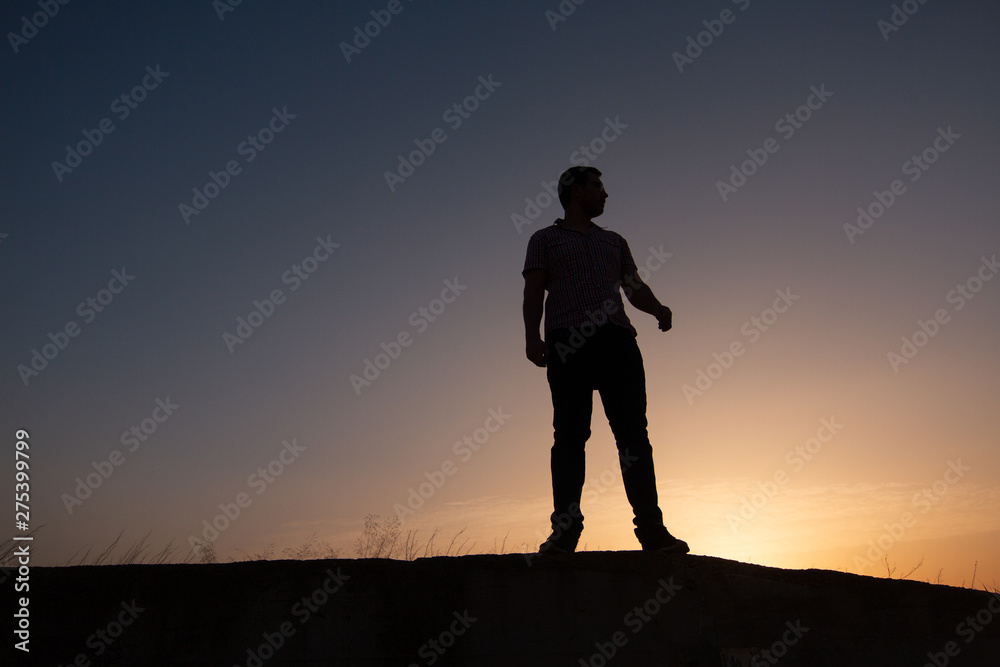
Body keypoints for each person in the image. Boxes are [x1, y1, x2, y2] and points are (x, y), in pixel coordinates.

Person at [521, 166, 689, 554]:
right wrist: (532, 338)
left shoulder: (614, 241)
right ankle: (565, 531)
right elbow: (533, 292)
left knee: (633, 436)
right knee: (569, 436)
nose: (606, 194)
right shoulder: (543, 239)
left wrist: (657, 308)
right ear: (576, 192)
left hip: (617, 342)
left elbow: (633, 286)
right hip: (567, 344)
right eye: (598, 187)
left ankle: (651, 530)